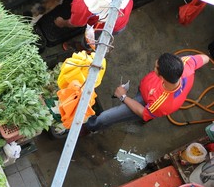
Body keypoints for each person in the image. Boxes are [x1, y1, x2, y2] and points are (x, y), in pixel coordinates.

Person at [82, 52, 210, 134]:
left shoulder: (162, 102)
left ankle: (90, 126)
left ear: (162, 78)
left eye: (155, 68)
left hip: (145, 103)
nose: (153, 68)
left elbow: (144, 113)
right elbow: (205, 58)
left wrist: (123, 96)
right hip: (147, 93)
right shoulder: (186, 63)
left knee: (106, 117)